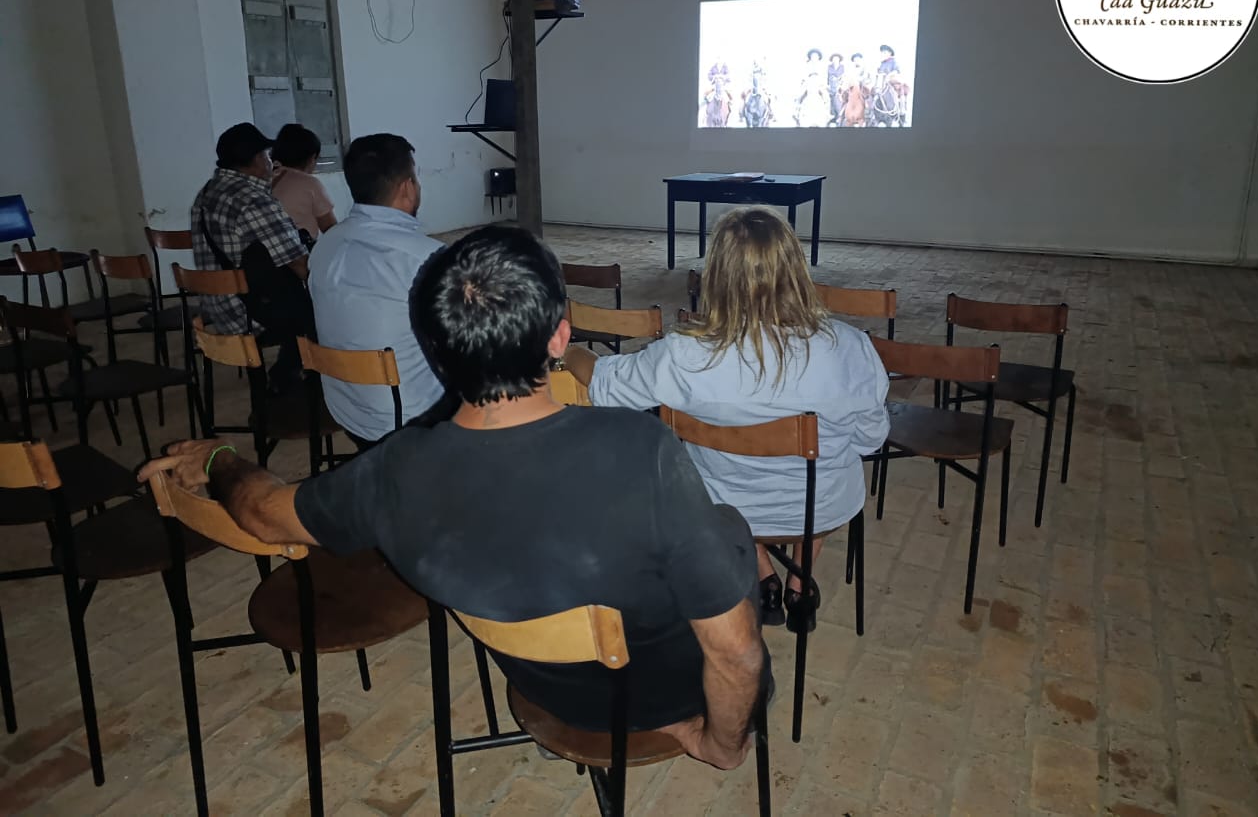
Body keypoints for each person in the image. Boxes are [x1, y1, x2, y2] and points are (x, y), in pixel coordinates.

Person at [139, 224, 766, 769]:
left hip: (546, 692)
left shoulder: (392, 470)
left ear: (435, 351)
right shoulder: (641, 448)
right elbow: (735, 653)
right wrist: (720, 744)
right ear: (559, 338)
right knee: (729, 539)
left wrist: (217, 458)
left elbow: (262, 513)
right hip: (659, 700)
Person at [565, 207, 889, 631]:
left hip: (724, 508)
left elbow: (604, 383)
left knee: (727, 489)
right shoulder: (850, 347)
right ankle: (799, 585)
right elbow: (869, 440)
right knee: (826, 478)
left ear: (716, 274)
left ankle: (765, 578)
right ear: (796, 268)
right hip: (821, 505)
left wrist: (568, 350)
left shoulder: (684, 354)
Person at [308, 133, 443, 447]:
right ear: (407, 187)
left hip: (348, 413)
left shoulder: (325, 245)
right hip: (409, 418)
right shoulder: (425, 258)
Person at [190, 122, 311, 389]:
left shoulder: (207, 192)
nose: (270, 162)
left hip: (217, 307)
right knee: (322, 311)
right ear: (257, 160)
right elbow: (300, 264)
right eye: (267, 155)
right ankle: (293, 382)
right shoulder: (253, 200)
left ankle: (288, 374)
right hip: (246, 313)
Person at [271, 123, 336, 244]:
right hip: (299, 251)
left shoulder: (266, 177)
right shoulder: (309, 184)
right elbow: (331, 230)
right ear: (312, 158)